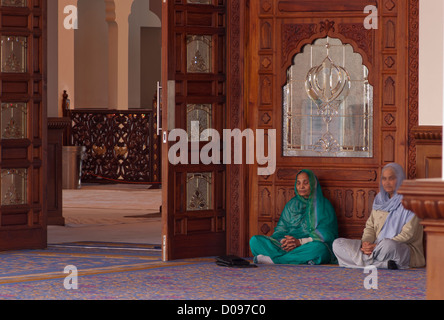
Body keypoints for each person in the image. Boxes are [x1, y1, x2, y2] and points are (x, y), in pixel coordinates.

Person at [332, 163, 425, 269]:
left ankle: (360, 263)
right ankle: (382, 265)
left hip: (398, 248)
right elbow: (370, 227)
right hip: (375, 248)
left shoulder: (412, 202)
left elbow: (408, 235)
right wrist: (366, 244)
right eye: (384, 179)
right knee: (337, 244)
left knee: (388, 245)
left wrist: (377, 246)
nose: (387, 182)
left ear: (400, 179)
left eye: (391, 178)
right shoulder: (379, 200)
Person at [250, 169, 338, 265]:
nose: (301, 187)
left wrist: (299, 242)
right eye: (298, 183)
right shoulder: (291, 204)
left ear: (313, 184)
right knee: (255, 241)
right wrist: (285, 242)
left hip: (308, 245)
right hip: (288, 247)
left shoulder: (324, 205)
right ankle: (295, 259)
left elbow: (327, 235)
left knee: (320, 250)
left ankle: (274, 260)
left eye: (305, 183)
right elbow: (280, 229)